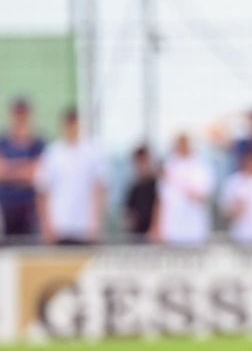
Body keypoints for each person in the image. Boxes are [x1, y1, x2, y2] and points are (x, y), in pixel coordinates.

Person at [34, 106, 107, 245]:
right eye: (69, 123)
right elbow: (42, 191)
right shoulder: (52, 153)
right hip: (59, 227)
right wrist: (46, 225)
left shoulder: (93, 152)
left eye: (75, 123)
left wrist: (96, 221)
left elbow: (99, 189)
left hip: (85, 228)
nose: (72, 127)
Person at [153, 133, 216, 246]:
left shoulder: (201, 165)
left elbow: (203, 196)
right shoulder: (170, 164)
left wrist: (180, 183)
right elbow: (161, 199)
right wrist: (156, 226)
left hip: (194, 230)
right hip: (171, 230)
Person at [0, 96, 46, 240]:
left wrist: (10, 169)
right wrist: (26, 168)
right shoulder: (3, 142)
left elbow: (37, 174)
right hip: (7, 207)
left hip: (32, 208)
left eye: (24, 112)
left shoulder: (39, 144)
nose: (21, 116)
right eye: (18, 112)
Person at [124, 145, 160, 240]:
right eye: (138, 162)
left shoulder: (159, 186)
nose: (141, 166)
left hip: (156, 237)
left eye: (143, 161)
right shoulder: (134, 188)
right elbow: (129, 214)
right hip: (138, 237)